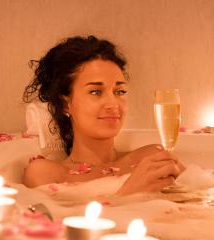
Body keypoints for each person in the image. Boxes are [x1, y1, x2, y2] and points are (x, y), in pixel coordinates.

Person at [22, 35, 184, 194]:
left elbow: (199, 199)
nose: (113, 104)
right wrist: (129, 193)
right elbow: (59, 220)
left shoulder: (152, 158)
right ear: (66, 104)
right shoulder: (46, 174)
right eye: (95, 92)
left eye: (119, 91)